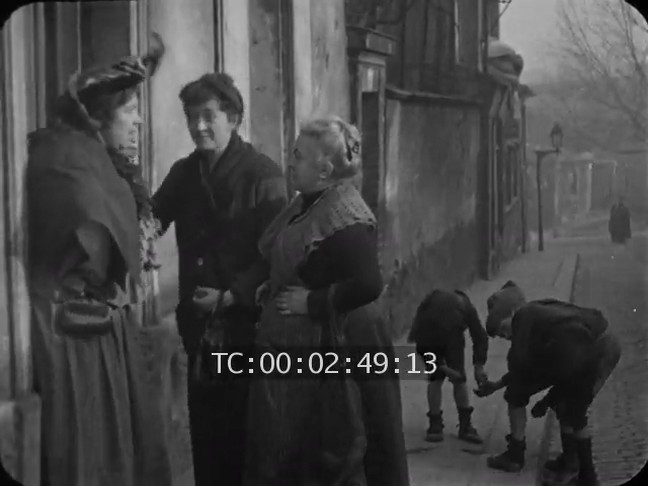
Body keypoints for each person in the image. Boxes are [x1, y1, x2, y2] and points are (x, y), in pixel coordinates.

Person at [26, 43, 173, 485]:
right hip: (74, 330)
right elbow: (89, 243)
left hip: (102, 323)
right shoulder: (67, 160)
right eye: (129, 110)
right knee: (92, 449)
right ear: (98, 116)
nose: (138, 121)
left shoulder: (98, 160)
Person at [244, 116, 410, 486]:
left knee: (345, 446)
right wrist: (274, 285)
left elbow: (368, 283)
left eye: (299, 156)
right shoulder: (306, 202)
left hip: (346, 343)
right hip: (310, 347)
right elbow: (302, 259)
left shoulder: (345, 213)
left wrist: (313, 303)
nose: (290, 162)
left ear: (325, 170)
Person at [151, 72, 288, 486]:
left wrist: (231, 296)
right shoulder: (184, 173)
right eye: (191, 117)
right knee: (207, 439)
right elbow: (152, 220)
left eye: (209, 116)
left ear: (234, 117)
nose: (198, 127)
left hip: (246, 328)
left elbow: (276, 256)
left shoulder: (263, 175)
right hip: (199, 330)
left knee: (244, 441)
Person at [474, 281, 621, 486]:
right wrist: (498, 385)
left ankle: (587, 478)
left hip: (593, 351)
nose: (506, 336)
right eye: (501, 336)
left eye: (503, 328)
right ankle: (570, 463)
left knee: (574, 412)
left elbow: (526, 365)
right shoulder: (539, 315)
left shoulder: (523, 318)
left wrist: (546, 400)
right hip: (598, 343)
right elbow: (530, 368)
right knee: (566, 407)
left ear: (512, 312)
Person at [407, 289, 488, 444]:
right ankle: (463, 425)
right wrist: (477, 366)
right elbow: (479, 337)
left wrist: (478, 365)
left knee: (438, 379)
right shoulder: (463, 308)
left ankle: (437, 425)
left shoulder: (436, 306)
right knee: (454, 379)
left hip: (438, 333)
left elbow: (479, 337)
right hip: (437, 335)